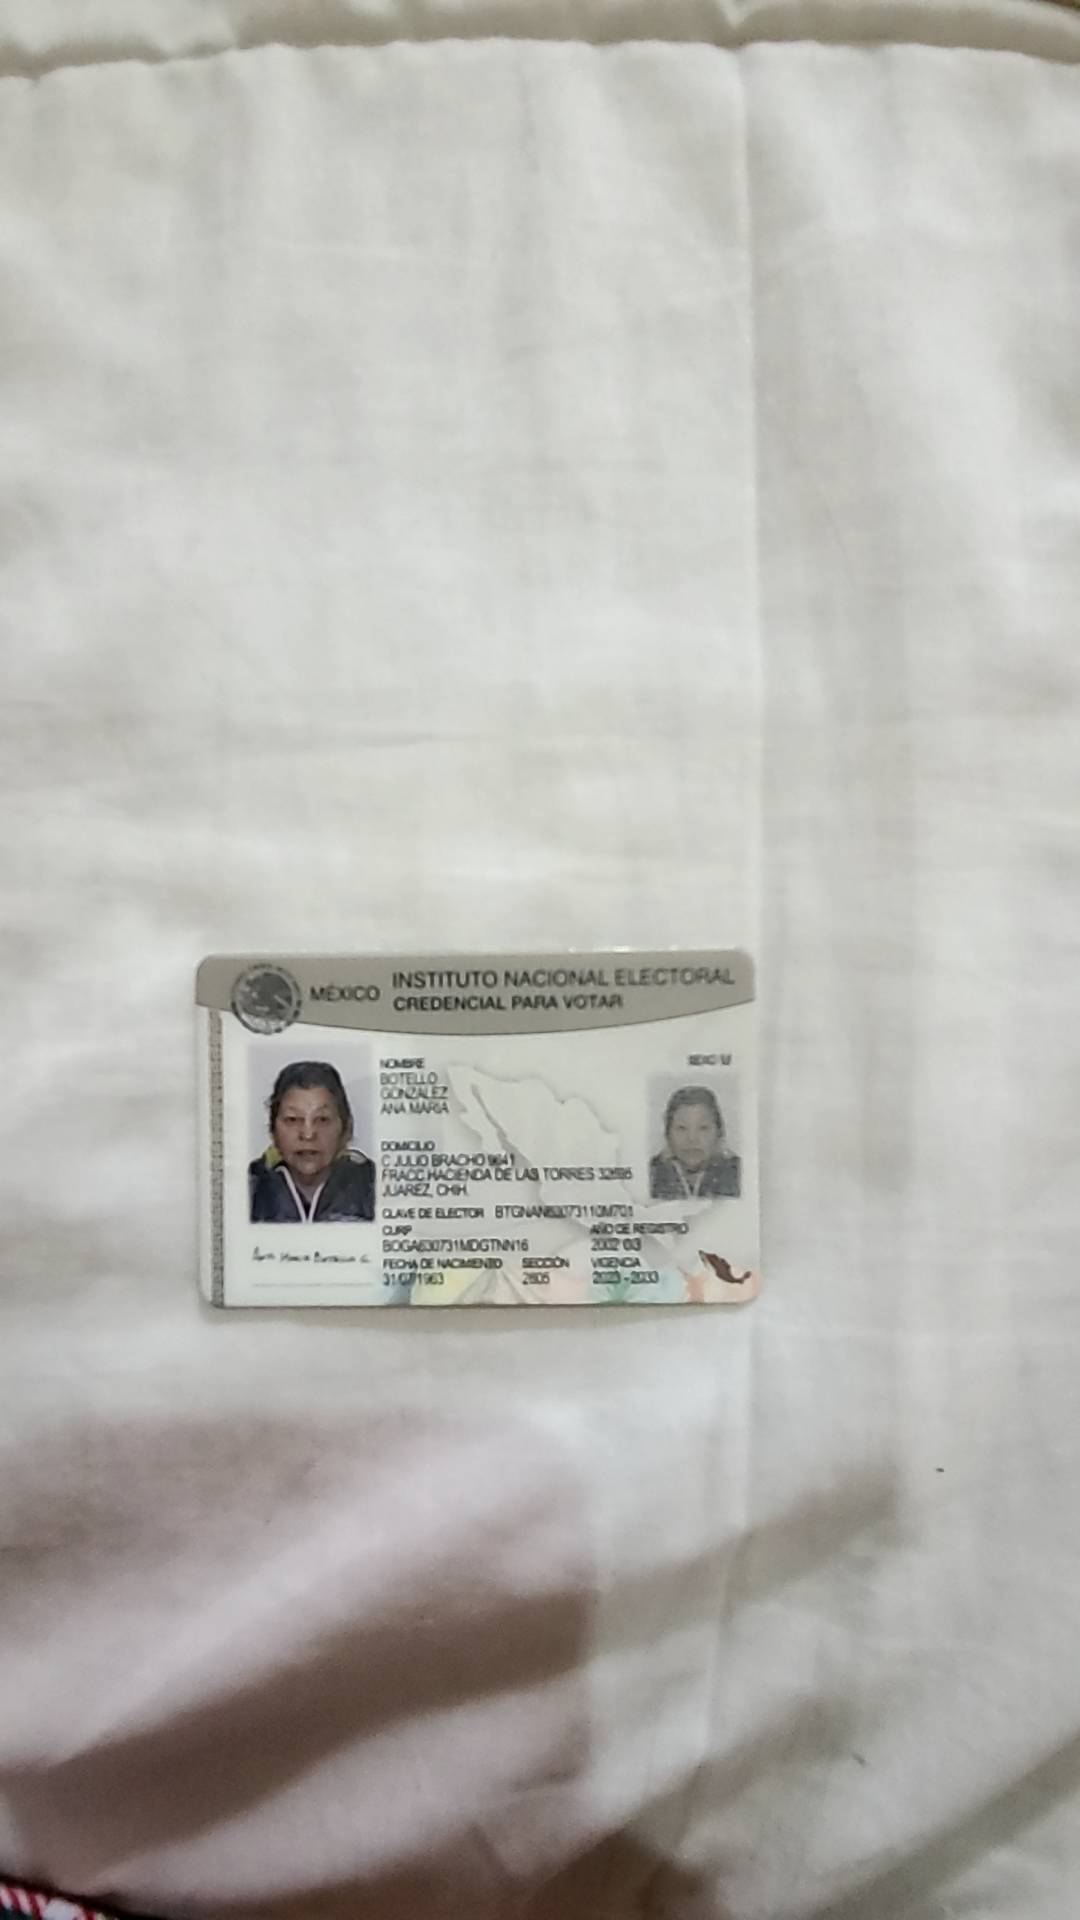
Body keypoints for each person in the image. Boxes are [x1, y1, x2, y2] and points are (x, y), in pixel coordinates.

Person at [249, 1061, 375, 1223]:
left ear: (346, 1128)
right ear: (272, 1130)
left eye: (322, 1119)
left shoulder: (376, 1189)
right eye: (292, 1119)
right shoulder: (247, 1190)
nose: (308, 1134)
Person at [649, 1085, 740, 1201]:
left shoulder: (740, 1175)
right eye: (681, 1128)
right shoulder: (650, 1175)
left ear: (719, 1133)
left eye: (703, 1128)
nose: (692, 1138)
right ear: (667, 1134)